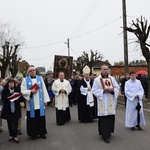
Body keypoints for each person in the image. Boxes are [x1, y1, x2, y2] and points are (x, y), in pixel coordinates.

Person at [92, 64, 120, 143]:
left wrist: (113, 90)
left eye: (106, 69)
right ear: (101, 70)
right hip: (102, 100)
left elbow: (117, 88)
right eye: (104, 69)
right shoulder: (97, 79)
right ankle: (105, 135)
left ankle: (109, 132)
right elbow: (94, 90)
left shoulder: (112, 78)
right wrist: (103, 91)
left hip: (110, 100)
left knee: (110, 117)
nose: (105, 70)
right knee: (104, 118)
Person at [21, 66, 50, 139]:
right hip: (31, 104)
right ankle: (33, 134)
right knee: (32, 120)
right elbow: (22, 90)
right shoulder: (25, 80)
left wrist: (45, 100)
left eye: (33, 70)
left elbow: (44, 89)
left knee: (41, 119)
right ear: (28, 72)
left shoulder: (40, 78)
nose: (32, 71)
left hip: (40, 103)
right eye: (30, 70)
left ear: (35, 71)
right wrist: (31, 91)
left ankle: (42, 133)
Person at [1, 78, 22, 143]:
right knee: (9, 123)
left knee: (15, 122)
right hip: (8, 109)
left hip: (16, 109)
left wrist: (17, 97)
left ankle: (15, 136)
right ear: (8, 84)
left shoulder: (17, 89)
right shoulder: (5, 90)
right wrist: (10, 94)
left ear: (14, 84)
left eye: (12, 83)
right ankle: (11, 135)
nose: (11, 84)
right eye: (10, 83)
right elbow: (3, 98)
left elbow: (21, 97)